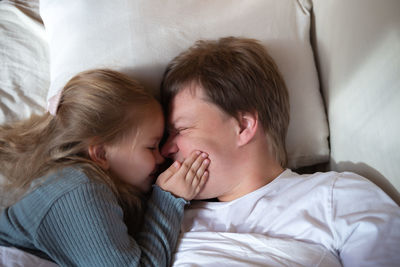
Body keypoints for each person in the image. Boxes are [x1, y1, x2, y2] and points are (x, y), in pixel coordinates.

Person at [159, 37, 400, 266]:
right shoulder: (165, 223)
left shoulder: (336, 198)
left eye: (181, 129)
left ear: (243, 126)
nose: (166, 149)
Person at [0, 69, 210, 266]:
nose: (161, 154)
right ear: (100, 154)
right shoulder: (77, 190)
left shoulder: (85, 183)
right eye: (151, 146)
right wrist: (168, 199)